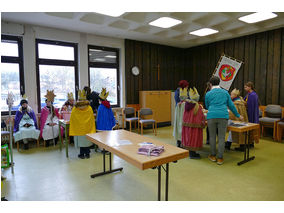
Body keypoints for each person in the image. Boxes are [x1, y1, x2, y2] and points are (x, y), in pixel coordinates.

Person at [205, 76, 243, 165]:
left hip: (211, 116)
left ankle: (213, 156)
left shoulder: (208, 94)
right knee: (222, 138)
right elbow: (231, 105)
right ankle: (220, 158)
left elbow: (207, 106)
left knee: (212, 137)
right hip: (223, 116)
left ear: (210, 84)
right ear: (219, 83)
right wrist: (238, 115)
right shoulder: (225, 93)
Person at [69, 89, 96, 159]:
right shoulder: (89, 108)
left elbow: (72, 118)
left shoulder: (75, 109)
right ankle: (87, 153)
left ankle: (82, 154)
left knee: (81, 142)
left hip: (79, 129)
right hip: (87, 129)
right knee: (86, 141)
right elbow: (91, 119)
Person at [181, 87, 205, 159]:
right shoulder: (197, 106)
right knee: (194, 138)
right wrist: (203, 122)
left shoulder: (187, 104)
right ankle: (192, 153)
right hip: (195, 127)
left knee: (189, 137)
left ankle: (190, 151)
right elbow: (200, 116)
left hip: (187, 126)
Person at [173, 80, 190, 147]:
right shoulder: (178, 91)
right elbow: (177, 100)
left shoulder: (187, 91)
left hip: (185, 110)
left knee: (183, 126)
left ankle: (184, 140)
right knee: (179, 125)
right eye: (187, 86)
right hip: (179, 110)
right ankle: (179, 141)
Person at [244, 81, 260, 147]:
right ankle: (249, 142)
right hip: (248, 112)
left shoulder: (253, 95)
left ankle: (251, 143)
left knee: (251, 127)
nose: (245, 88)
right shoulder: (249, 94)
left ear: (250, 87)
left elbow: (251, 106)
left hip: (251, 113)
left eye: (246, 87)